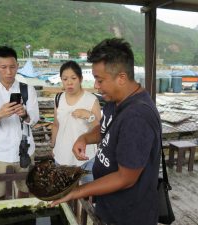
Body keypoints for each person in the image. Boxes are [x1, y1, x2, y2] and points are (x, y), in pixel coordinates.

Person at [51, 38, 161, 225]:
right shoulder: (114, 100)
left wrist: (78, 191)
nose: (96, 86)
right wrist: (85, 138)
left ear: (122, 78)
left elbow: (125, 179)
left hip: (129, 215)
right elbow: (104, 131)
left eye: (100, 80)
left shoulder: (137, 117)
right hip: (109, 205)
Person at [0, 46, 39, 200]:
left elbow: (35, 118)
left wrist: (24, 114)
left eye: (12, 67)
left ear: (17, 66)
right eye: (3, 67)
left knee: (25, 191)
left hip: (25, 151)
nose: (8, 72)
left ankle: (23, 217)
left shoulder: (28, 90)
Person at [51, 60, 101, 183]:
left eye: (73, 78)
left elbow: (99, 130)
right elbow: (56, 125)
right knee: (64, 192)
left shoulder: (91, 100)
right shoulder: (58, 98)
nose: (69, 82)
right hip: (62, 156)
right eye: (65, 79)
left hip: (86, 158)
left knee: (88, 193)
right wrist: (53, 146)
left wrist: (89, 116)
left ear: (81, 79)